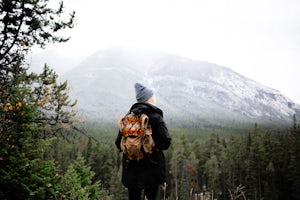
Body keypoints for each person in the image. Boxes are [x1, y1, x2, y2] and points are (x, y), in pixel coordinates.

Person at [115, 83, 171, 200]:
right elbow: (165, 142)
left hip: (131, 169)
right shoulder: (155, 116)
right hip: (152, 169)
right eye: (153, 95)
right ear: (149, 98)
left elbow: (118, 143)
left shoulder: (128, 117)